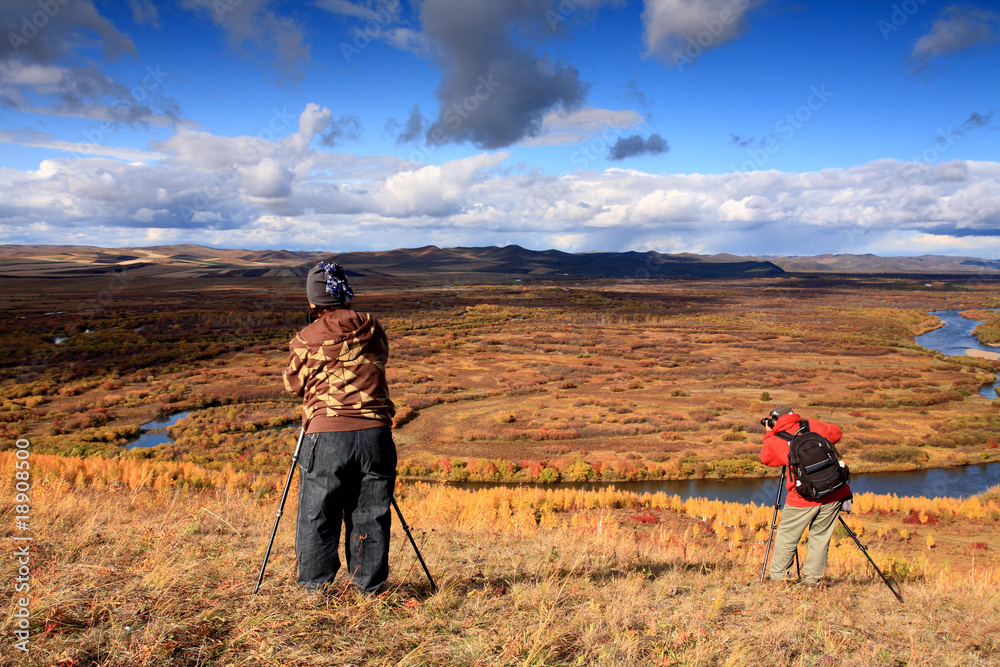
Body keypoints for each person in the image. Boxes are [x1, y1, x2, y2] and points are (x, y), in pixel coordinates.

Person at [282, 261, 397, 593]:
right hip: (376, 433)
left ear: (313, 300)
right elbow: (381, 359)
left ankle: (314, 590)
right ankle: (369, 588)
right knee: (371, 512)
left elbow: (293, 385)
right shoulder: (372, 327)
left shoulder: (306, 339)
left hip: (326, 434)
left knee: (318, 512)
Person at [760, 406, 851, 588]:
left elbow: (767, 459)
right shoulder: (812, 425)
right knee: (820, 537)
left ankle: (778, 579)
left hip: (803, 498)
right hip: (834, 491)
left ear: (775, 421)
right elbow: (837, 433)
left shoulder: (777, 439)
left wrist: (769, 434)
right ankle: (812, 582)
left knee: (787, 536)